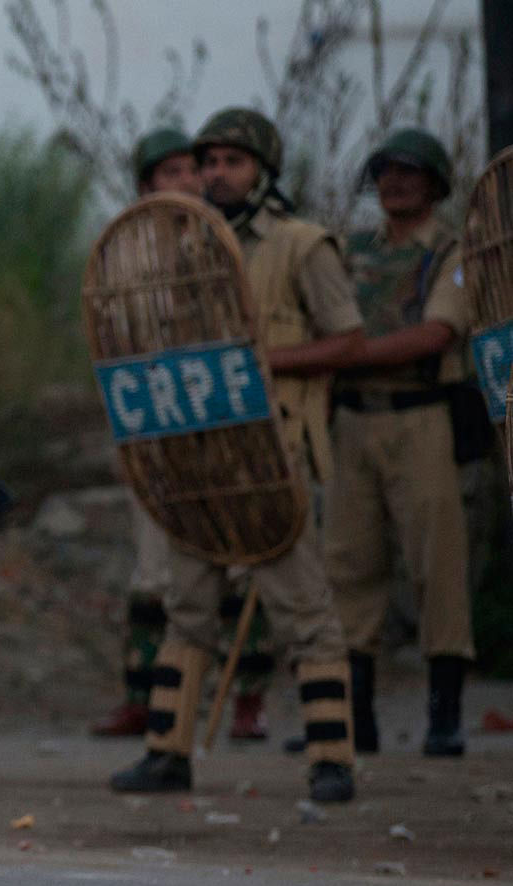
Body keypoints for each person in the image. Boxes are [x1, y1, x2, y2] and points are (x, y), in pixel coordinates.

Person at [109, 108, 361, 802]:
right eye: (208, 162)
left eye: (232, 162)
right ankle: (168, 753)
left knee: (302, 607)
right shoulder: (189, 251)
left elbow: (348, 340)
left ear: (264, 170)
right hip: (201, 459)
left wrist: (262, 363)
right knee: (187, 606)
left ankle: (332, 759)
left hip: (274, 456)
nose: (217, 174)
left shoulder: (303, 246)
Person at [272, 128, 474, 757]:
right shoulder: (352, 251)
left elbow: (436, 332)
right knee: (346, 568)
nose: (395, 183)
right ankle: (351, 717)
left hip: (419, 416)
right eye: (386, 172)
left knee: (436, 565)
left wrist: (345, 355)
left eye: (410, 172)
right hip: (353, 420)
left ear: (434, 182)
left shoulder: (452, 254)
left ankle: (445, 719)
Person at [92, 129, 279, 743]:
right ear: (148, 184)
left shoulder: (225, 243)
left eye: (190, 171)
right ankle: (146, 699)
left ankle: (248, 699)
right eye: (170, 172)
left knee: (242, 563)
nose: (188, 182)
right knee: (155, 572)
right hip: (159, 430)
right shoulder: (125, 257)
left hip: (224, 422)